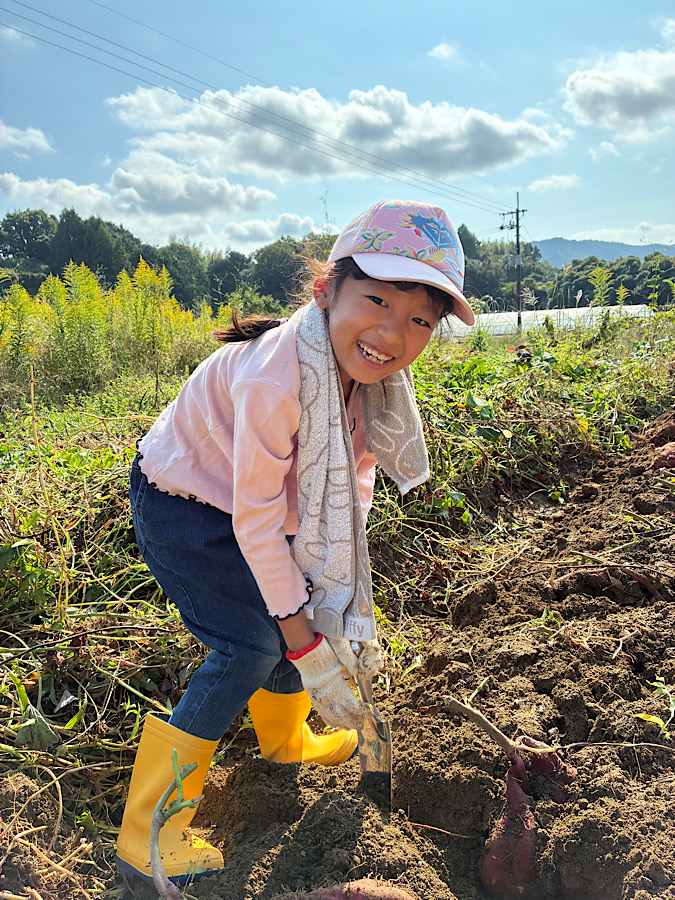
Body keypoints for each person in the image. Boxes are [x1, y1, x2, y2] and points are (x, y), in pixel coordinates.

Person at [115, 199, 475, 884]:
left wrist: (322, 600)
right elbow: (252, 521)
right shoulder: (275, 377)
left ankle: (287, 743)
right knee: (250, 643)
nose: (392, 333)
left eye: (420, 320)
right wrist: (301, 636)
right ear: (324, 291)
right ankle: (148, 833)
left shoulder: (375, 388)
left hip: (250, 505)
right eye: (376, 300)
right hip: (184, 502)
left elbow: (355, 489)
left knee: (298, 606)